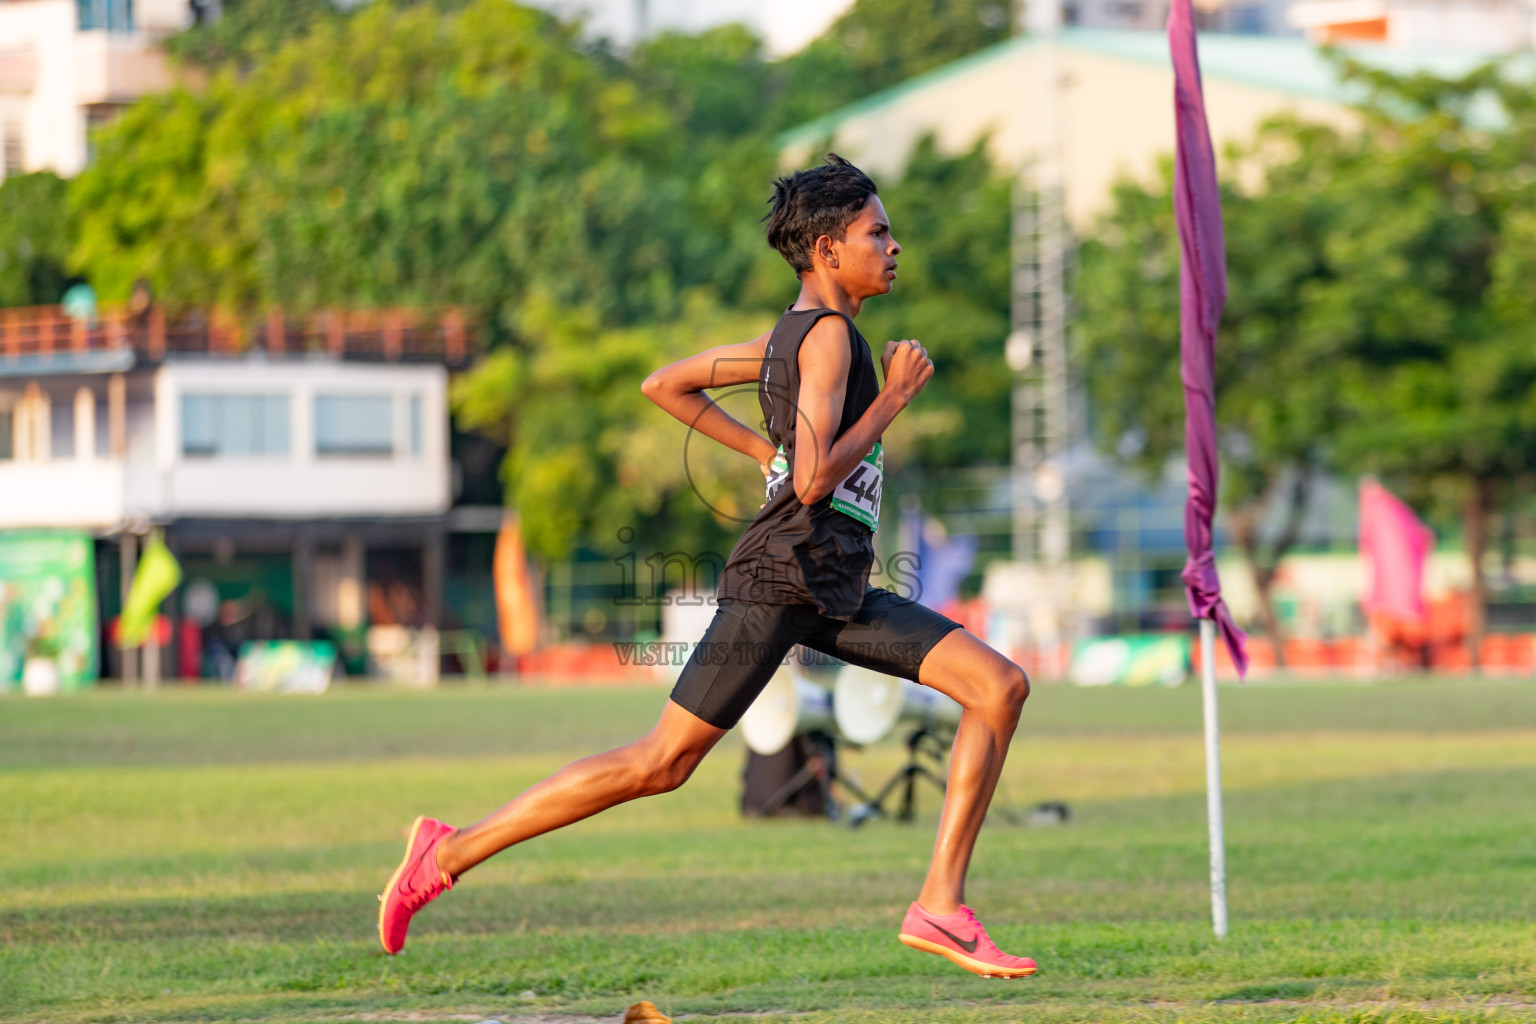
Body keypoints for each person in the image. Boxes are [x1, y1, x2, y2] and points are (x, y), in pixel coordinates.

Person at [378, 154, 1036, 979]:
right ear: (828, 248)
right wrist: (892, 399)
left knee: (998, 685)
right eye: (879, 232)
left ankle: (940, 905)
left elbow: (668, 384)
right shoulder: (828, 338)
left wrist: (764, 444)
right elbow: (812, 479)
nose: (894, 246)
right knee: (661, 763)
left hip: (831, 587)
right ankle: (446, 853)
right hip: (784, 578)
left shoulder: (786, 339)